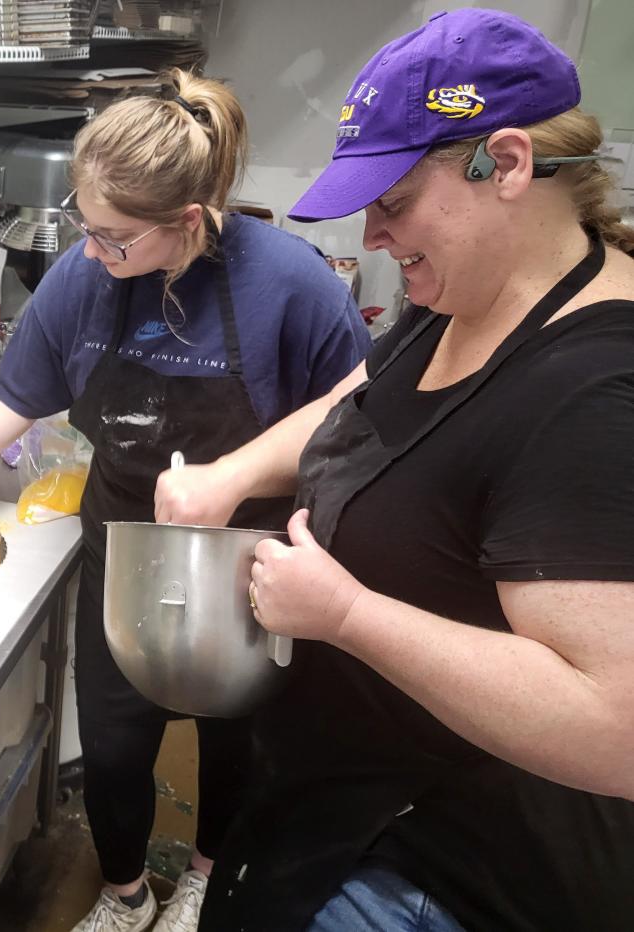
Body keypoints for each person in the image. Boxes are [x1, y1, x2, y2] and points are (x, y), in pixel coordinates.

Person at [154, 10, 634, 931]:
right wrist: (232, 474)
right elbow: (357, 396)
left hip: (441, 867)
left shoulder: (594, 397)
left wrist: (347, 615)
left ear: (508, 164)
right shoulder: (462, 298)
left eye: (396, 200)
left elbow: (614, 728)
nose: (374, 236)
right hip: (335, 802)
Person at [0, 69, 370, 932]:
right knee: (111, 744)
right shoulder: (85, 276)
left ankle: (207, 881)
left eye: (114, 237)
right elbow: (20, 392)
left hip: (248, 563)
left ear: (187, 221)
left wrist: (233, 477)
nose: (92, 251)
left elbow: (360, 405)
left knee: (234, 742)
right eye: (85, 224)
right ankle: (126, 895)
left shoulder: (289, 284)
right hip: (123, 548)